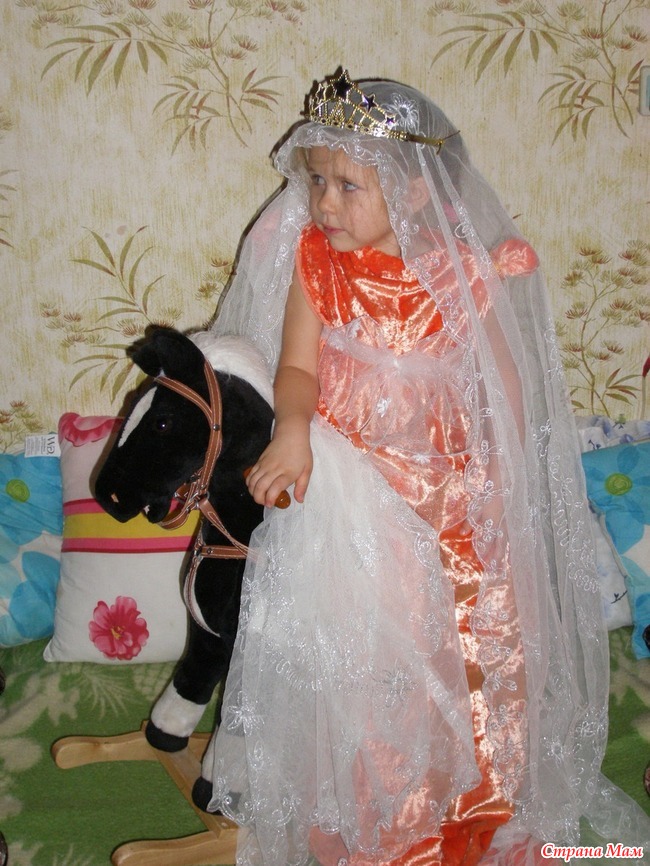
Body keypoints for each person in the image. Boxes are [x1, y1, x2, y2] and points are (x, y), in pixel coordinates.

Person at [205, 70, 650, 866]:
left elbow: (502, 384)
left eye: (349, 185)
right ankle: (377, 811)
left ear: (412, 192)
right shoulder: (317, 263)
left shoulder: (461, 270)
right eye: (318, 181)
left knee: (470, 649)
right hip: (355, 497)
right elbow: (297, 368)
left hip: (449, 495)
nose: (325, 202)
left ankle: (469, 803)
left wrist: (504, 479)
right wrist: (293, 427)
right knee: (370, 657)